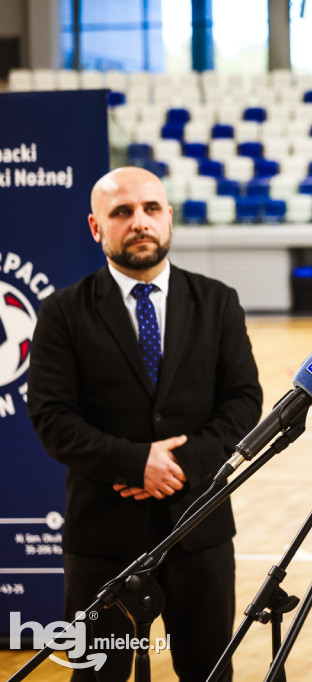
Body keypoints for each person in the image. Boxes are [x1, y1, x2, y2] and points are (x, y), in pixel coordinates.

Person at [27, 166, 263, 681]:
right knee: (99, 674)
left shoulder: (218, 301)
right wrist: (136, 463)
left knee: (208, 672)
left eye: (151, 209)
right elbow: (51, 416)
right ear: (96, 227)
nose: (140, 222)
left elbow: (245, 402)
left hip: (198, 529)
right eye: (122, 212)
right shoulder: (62, 312)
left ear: (169, 218)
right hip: (101, 539)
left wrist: (178, 466)